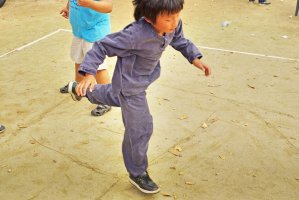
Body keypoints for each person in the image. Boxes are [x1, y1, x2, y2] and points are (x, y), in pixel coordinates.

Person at [67, 0, 211, 194]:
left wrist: (195, 58)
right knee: (141, 128)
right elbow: (102, 46)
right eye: (169, 18)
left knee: (114, 96)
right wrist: (89, 72)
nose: (175, 22)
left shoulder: (172, 25)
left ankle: (78, 89)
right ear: (149, 18)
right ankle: (137, 172)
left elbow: (180, 39)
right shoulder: (135, 34)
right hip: (130, 87)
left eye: (177, 15)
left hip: (140, 81)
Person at [60, 0, 113, 116]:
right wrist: (68, 8)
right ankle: (78, 88)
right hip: (79, 30)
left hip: (95, 32)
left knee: (97, 67)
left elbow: (108, 7)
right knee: (78, 59)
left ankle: (106, 99)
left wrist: (89, 3)